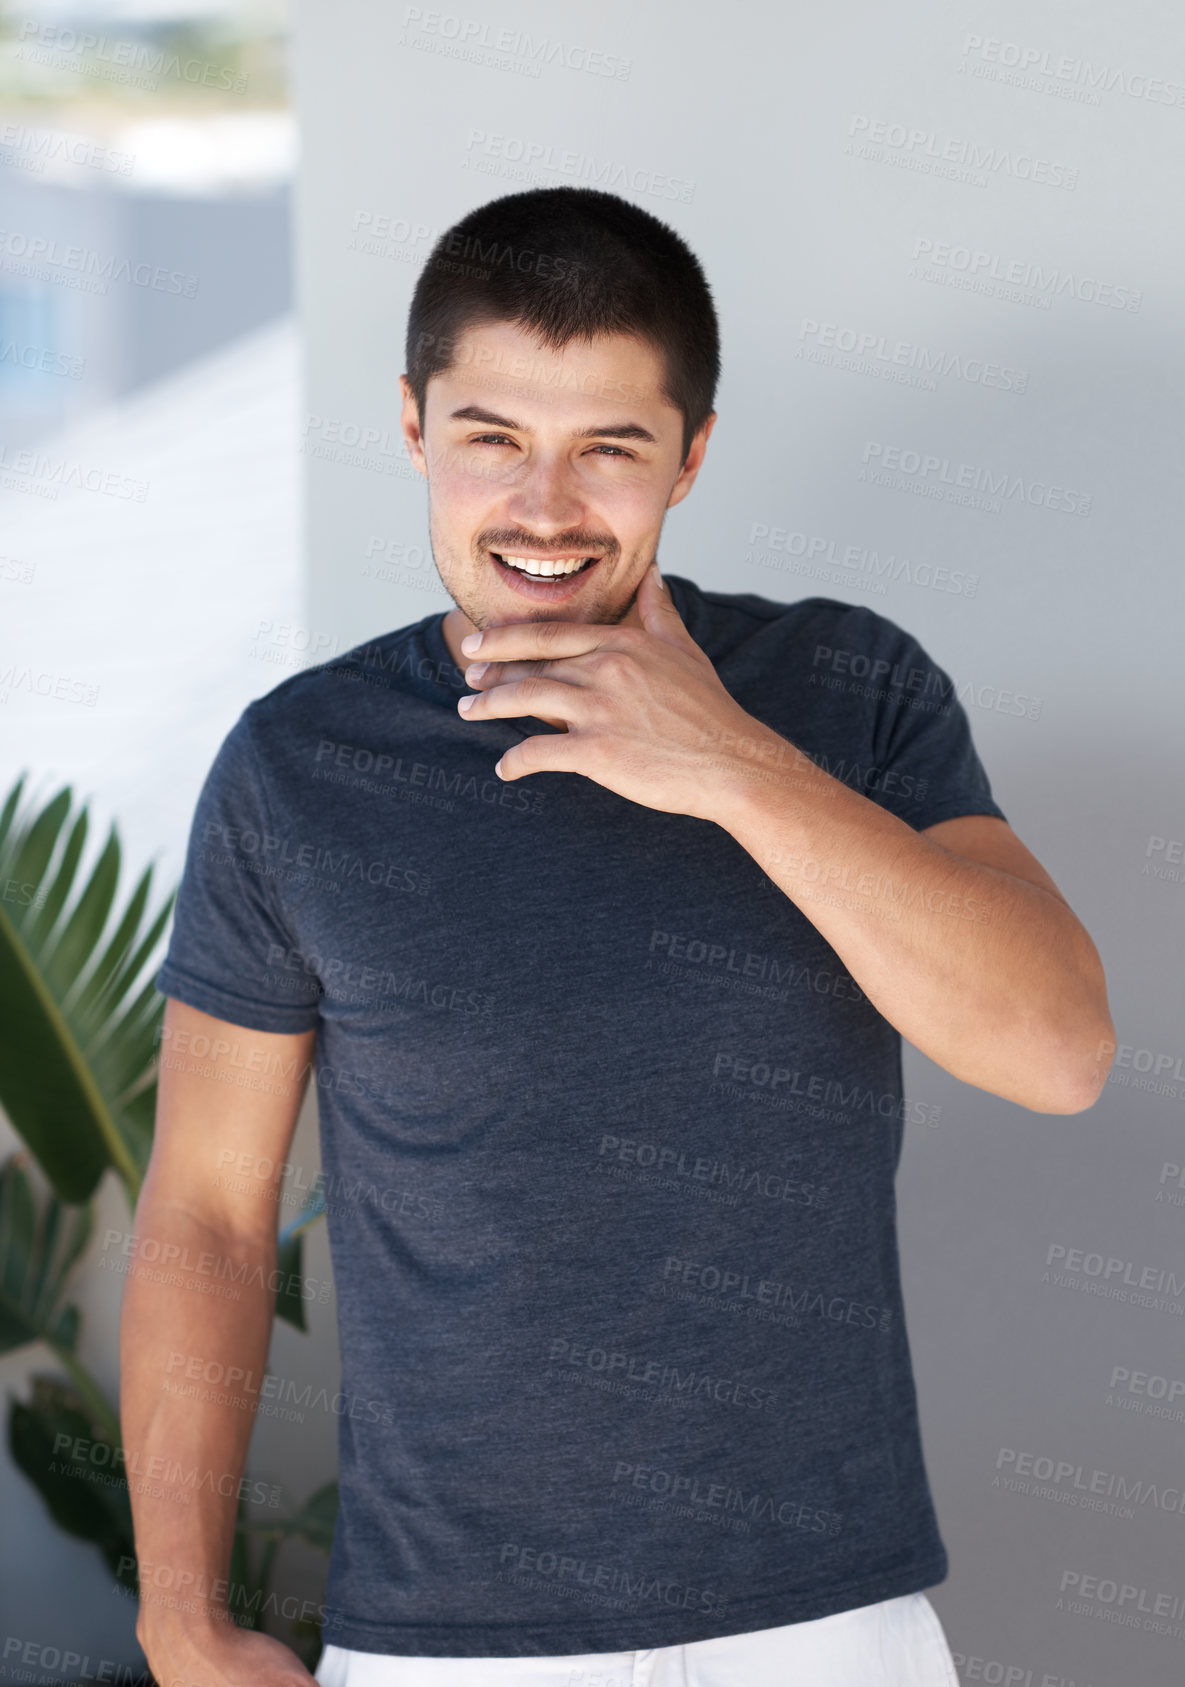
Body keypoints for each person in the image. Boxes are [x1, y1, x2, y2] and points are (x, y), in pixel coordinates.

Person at [122, 187, 1115, 1687]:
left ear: (691, 456)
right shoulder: (298, 765)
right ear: (412, 424)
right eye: (492, 439)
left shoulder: (847, 688)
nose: (543, 507)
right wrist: (179, 1611)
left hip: (824, 1627)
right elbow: (202, 1211)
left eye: (608, 448)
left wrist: (725, 759)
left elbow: (1056, 1052)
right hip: (447, 1646)